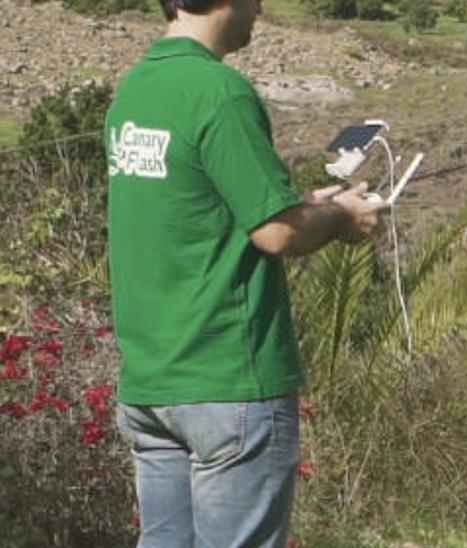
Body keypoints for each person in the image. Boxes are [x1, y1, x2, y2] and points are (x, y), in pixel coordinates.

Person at [104, 1, 384, 546]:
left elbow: (206, 209)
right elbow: (279, 233)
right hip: (228, 381)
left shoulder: (134, 91)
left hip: (152, 385)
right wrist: (343, 215)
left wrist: (302, 205)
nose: (261, 6)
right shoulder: (221, 91)